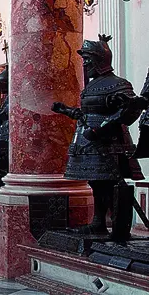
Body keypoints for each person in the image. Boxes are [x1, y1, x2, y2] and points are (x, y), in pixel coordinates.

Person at [54, 35, 146, 240]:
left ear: (99, 60)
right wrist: (66, 110)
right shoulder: (93, 85)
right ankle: (98, 223)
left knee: (107, 184)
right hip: (88, 143)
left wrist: (100, 129)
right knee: (95, 183)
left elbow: (130, 110)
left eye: (87, 59)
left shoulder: (118, 84)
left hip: (109, 144)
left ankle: (111, 224)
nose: (85, 64)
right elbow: (87, 114)